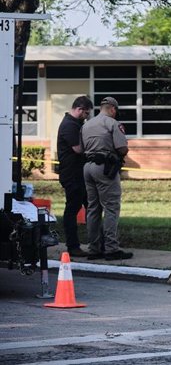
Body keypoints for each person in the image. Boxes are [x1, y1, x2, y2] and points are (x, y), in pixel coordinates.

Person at [81, 96, 132, 261]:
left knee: (93, 209)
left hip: (88, 168)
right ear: (112, 109)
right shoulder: (112, 123)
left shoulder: (86, 124)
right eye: (115, 111)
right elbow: (122, 148)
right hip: (105, 168)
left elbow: (80, 149)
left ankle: (94, 249)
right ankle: (111, 249)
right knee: (111, 207)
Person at [56, 96, 93, 258]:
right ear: (79, 109)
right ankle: (73, 246)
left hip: (78, 174)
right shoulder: (69, 125)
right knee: (73, 209)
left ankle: (98, 243)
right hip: (72, 175)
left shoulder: (75, 123)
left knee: (91, 206)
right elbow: (78, 149)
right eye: (86, 113)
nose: (87, 117)